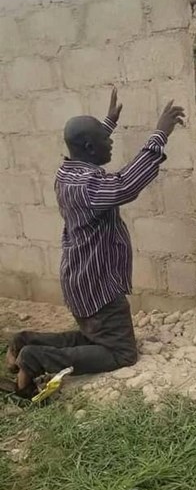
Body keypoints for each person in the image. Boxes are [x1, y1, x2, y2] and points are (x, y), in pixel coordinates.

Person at [4, 87, 185, 399]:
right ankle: (35, 359)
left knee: (94, 338)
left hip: (84, 279)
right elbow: (125, 185)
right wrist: (160, 134)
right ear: (89, 147)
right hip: (98, 285)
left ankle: (24, 342)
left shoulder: (69, 171)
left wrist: (107, 124)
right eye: (106, 140)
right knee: (120, 353)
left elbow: (90, 145)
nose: (110, 142)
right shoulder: (87, 186)